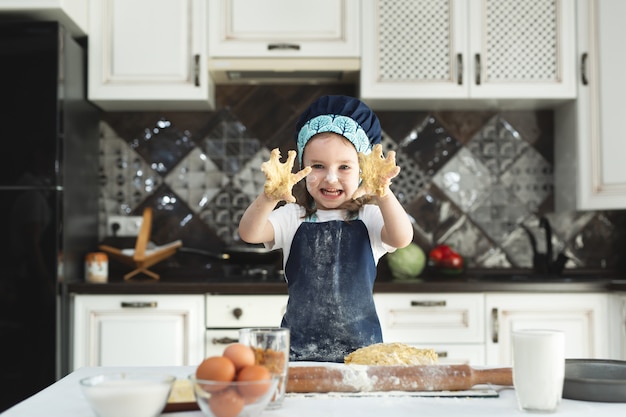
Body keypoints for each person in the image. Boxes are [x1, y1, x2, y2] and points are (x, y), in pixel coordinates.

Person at [238, 95, 413, 362]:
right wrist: (269, 197)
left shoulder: (369, 217)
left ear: (362, 171)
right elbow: (249, 233)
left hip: (362, 355)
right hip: (297, 354)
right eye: (317, 166)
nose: (330, 178)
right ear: (302, 169)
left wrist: (384, 195)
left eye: (344, 167)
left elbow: (402, 238)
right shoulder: (292, 217)